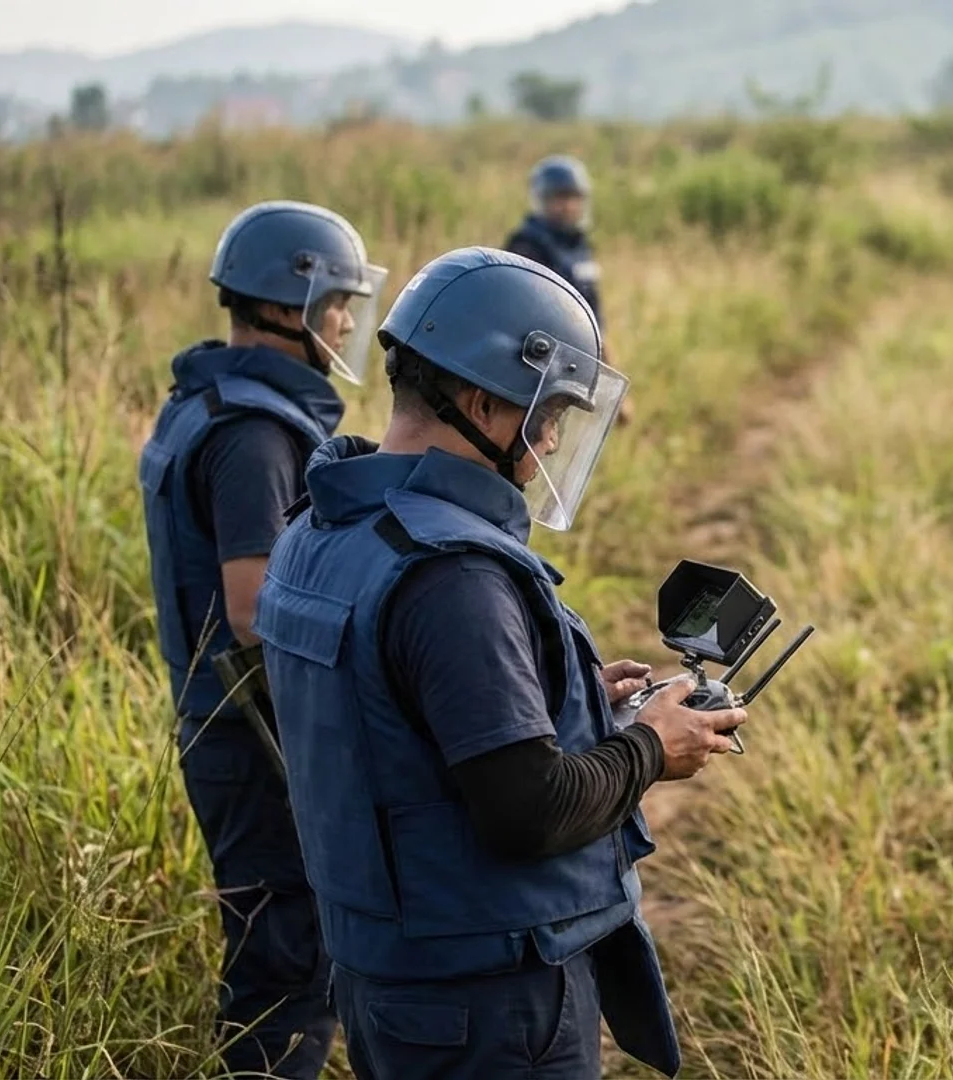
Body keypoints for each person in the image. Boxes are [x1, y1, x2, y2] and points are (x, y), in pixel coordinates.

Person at [252, 246, 744, 1078]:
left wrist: (565, 698)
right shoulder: (452, 573)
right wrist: (653, 747)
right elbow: (527, 810)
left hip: (388, 980)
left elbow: (383, 712)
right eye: (547, 411)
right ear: (481, 401)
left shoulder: (320, 529)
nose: (552, 435)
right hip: (487, 1006)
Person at [138, 199, 388, 1077]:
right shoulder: (253, 434)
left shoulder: (209, 398)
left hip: (222, 725)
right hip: (252, 736)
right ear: (291, 304)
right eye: (338, 303)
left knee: (276, 952)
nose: (348, 321)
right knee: (286, 968)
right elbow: (254, 610)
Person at [504, 154, 634, 428]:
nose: (568, 206)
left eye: (574, 198)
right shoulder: (528, 246)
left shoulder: (579, 246)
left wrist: (615, 390)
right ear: (542, 199)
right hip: (538, 374)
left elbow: (595, 323)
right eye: (559, 198)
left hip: (578, 370)